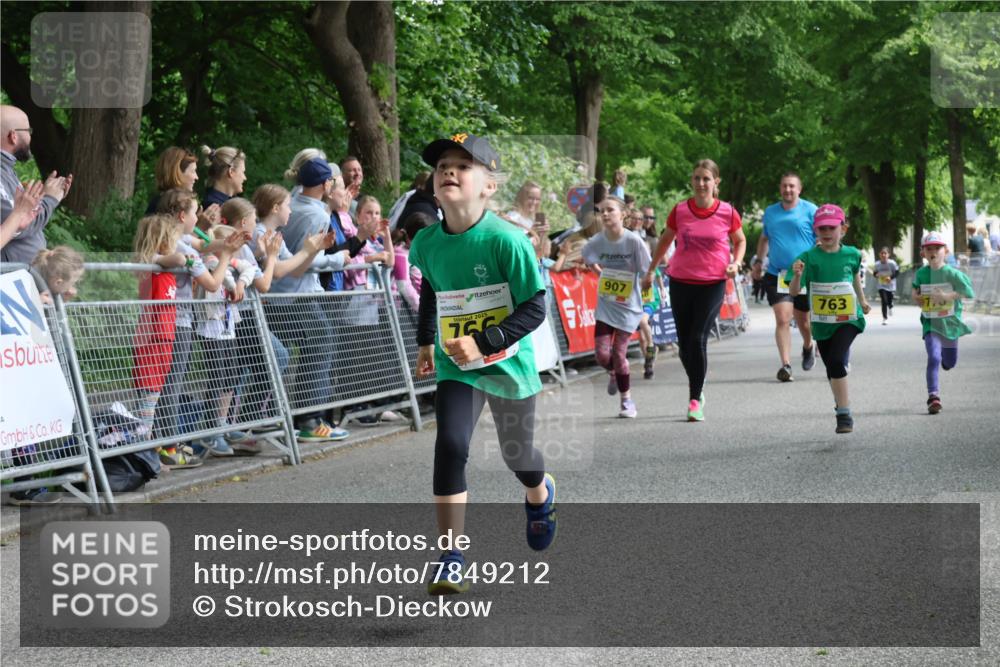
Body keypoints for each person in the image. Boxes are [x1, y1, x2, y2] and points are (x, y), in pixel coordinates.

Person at [409, 133, 555, 594]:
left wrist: (484, 342)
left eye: (463, 166)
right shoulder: (427, 242)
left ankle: (540, 491)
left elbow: (535, 308)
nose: (449, 171)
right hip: (457, 364)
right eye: (442, 167)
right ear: (433, 184)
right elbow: (433, 288)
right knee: (451, 445)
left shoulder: (507, 241)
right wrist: (427, 341)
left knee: (519, 456)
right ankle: (452, 555)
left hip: (507, 361)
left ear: (488, 185)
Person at [642, 159, 746, 422]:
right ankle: (699, 383)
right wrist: (651, 269)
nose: (701, 183)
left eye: (706, 179)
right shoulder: (680, 211)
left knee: (698, 338)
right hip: (681, 281)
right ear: (692, 180)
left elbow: (740, 240)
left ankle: (694, 398)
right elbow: (665, 240)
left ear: (715, 182)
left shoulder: (727, 212)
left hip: (713, 282)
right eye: (697, 178)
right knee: (685, 345)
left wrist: (736, 262)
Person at [270, 157, 354, 442]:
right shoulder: (317, 215)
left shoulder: (294, 205)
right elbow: (304, 260)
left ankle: (297, 417)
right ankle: (309, 418)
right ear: (325, 184)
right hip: (297, 294)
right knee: (321, 342)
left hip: (282, 293)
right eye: (332, 181)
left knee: (308, 345)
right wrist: (337, 259)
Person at [787, 204, 871, 434]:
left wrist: (862, 301)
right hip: (823, 323)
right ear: (815, 230)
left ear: (842, 229)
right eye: (821, 228)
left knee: (835, 359)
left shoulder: (852, 254)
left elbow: (853, 277)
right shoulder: (807, 257)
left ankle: (844, 414)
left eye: (831, 228)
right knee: (831, 365)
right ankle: (840, 400)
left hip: (849, 318)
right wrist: (796, 275)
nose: (826, 232)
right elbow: (794, 292)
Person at [582, 196, 652, 418]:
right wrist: (600, 273)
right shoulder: (597, 241)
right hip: (606, 305)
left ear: (623, 214)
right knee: (602, 355)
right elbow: (587, 258)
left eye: (610, 210)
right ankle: (613, 371)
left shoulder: (634, 242)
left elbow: (646, 270)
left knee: (619, 354)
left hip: (628, 307)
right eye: (601, 211)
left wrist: (638, 284)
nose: (604, 215)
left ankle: (626, 402)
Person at [756, 171, 818, 382]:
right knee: (783, 318)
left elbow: (821, 239)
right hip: (777, 273)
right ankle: (786, 365)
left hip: (802, 274)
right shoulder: (771, 212)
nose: (788, 189)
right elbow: (764, 239)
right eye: (784, 186)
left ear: (799, 189)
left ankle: (809, 345)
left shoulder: (810, 210)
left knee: (804, 322)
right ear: (780, 188)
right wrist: (757, 262)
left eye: (792, 186)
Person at [911, 232, 975, 415]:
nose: (933, 252)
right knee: (934, 357)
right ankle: (933, 396)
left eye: (937, 248)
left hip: (950, 324)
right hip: (931, 323)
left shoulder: (952, 273)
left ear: (945, 251)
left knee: (949, 361)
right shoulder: (922, 273)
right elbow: (915, 291)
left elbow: (968, 292)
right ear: (923, 252)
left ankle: (947, 362)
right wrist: (917, 298)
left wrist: (948, 296)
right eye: (929, 248)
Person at [0, 105, 73, 264]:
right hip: (13, 279)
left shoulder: (6, 169)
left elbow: (20, 217)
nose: (30, 137)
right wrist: (49, 199)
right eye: (27, 131)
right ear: (13, 136)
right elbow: (15, 224)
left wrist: (44, 197)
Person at [872, 246, 899, 325]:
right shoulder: (877, 264)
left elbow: (897, 272)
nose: (883, 255)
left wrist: (890, 277)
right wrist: (876, 275)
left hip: (891, 285)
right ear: (879, 255)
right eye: (882, 253)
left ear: (888, 255)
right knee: (884, 300)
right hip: (881, 285)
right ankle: (885, 318)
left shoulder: (892, 263)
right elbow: (874, 273)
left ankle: (890, 306)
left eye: (885, 253)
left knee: (889, 300)